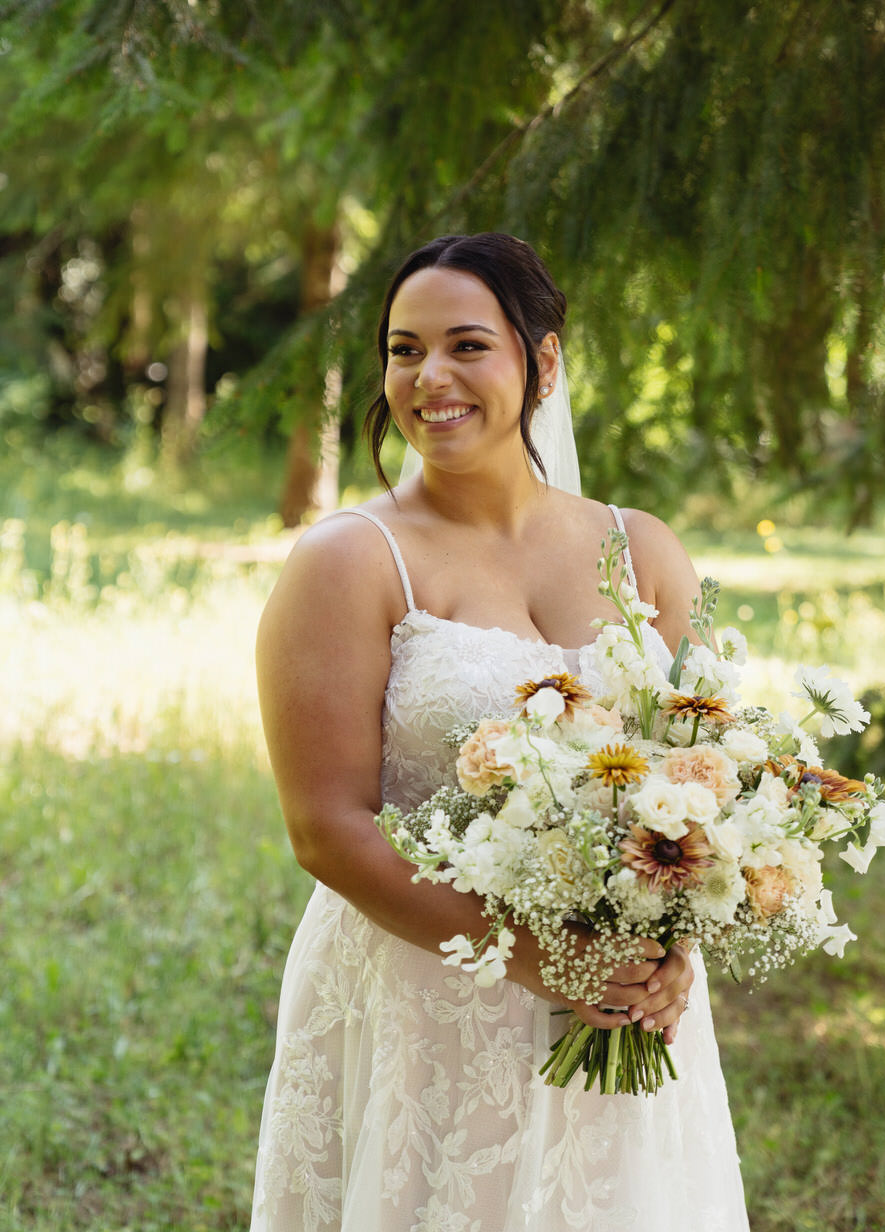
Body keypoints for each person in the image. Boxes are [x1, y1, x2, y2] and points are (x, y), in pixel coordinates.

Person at [250, 233, 750, 1231]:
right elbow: (326, 829)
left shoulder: (640, 550)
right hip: (423, 994)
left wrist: (671, 945)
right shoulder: (350, 562)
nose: (430, 375)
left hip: (619, 1001)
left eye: (466, 344)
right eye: (403, 349)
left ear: (545, 362)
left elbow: (706, 785)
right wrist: (532, 957)